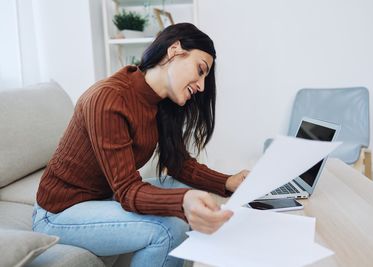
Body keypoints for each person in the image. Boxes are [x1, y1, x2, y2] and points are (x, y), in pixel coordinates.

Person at [32, 23, 248, 267]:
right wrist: (182, 200)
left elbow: (179, 164)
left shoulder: (162, 102)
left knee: (189, 188)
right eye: (200, 70)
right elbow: (127, 190)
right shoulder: (109, 98)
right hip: (59, 212)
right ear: (174, 50)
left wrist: (228, 181)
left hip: (104, 197)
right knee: (169, 230)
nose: (201, 86)